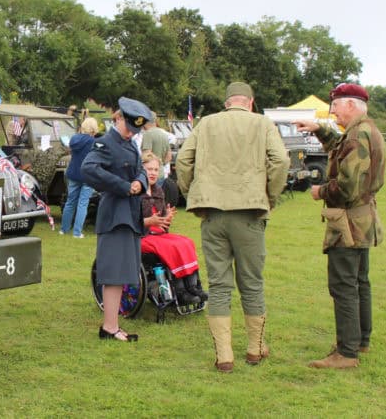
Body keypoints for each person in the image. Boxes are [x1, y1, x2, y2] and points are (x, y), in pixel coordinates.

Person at [175, 82, 289, 372]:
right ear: (250, 102)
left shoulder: (206, 124)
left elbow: (183, 161)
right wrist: (270, 196)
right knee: (251, 282)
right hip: (250, 212)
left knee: (219, 284)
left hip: (213, 213)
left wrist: (194, 195)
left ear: (227, 103)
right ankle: (254, 349)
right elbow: (281, 160)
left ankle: (224, 356)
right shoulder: (262, 123)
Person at [294, 83, 385, 369]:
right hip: (362, 217)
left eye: (335, 105)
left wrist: (320, 191)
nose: (332, 110)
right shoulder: (365, 129)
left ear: (351, 105)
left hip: (349, 220)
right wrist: (318, 128)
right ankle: (360, 340)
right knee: (360, 282)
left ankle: (346, 353)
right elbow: (340, 147)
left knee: (344, 285)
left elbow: (348, 186)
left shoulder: (359, 134)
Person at [82, 97, 153, 343]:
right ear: (119, 118)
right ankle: (109, 327)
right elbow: (88, 169)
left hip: (130, 216)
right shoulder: (105, 143)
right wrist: (124, 186)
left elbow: (141, 170)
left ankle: (111, 325)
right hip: (115, 216)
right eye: (128, 127)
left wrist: (140, 183)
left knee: (122, 272)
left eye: (135, 130)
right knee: (113, 273)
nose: (131, 133)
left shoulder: (130, 144)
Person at [138, 151, 207, 304]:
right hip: (141, 235)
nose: (153, 173)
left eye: (156, 170)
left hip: (158, 234)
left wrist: (166, 217)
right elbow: (130, 221)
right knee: (172, 246)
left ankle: (193, 286)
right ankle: (180, 291)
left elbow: (162, 222)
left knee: (186, 242)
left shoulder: (158, 191)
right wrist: (150, 221)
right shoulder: (136, 191)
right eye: (149, 169)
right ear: (141, 170)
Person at [60, 117, 99, 238]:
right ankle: (77, 232)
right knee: (83, 203)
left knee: (70, 202)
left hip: (73, 173)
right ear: (94, 129)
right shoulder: (93, 142)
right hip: (87, 175)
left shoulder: (74, 139)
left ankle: (64, 229)